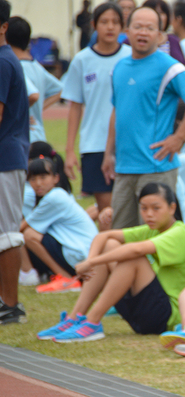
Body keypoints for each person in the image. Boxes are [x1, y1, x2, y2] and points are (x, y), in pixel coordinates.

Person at [37, 182, 185, 342]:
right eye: (144, 208)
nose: (149, 214)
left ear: (172, 208)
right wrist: (90, 260)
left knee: (133, 257)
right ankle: (73, 318)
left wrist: (91, 263)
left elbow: (137, 250)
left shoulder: (180, 232)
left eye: (156, 208)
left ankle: (92, 321)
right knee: (110, 245)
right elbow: (103, 237)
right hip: (143, 311)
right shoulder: (151, 230)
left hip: (165, 318)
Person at [101, 6, 185, 229]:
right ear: (127, 31)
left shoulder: (169, 67)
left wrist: (178, 138)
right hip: (124, 168)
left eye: (150, 28)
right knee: (121, 234)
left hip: (156, 168)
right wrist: (109, 153)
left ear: (160, 36)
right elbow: (116, 111)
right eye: (138, 27)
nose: (143, 32)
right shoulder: (119, 68)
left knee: (154, 237)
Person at [62, 3, 132, 223]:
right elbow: (75, 106)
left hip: (128, 144)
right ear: (94, 25)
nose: (110, 27)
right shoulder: (82, 60)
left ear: (123, 26)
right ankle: (109, 256)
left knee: (129, 211)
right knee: (107, 214)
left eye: (115, 22)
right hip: (94, 145)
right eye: (104, 22)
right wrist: (70, 150)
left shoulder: (132, 56)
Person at [21, 157, 97, 293]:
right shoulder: (54, 195)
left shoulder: (55, 197)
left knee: (28, 235)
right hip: (80, 254)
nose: (38, 183)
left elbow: (22, 227)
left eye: (43, 177)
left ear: (56, 178)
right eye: (33, 179)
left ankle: (65, 278)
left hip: (80, 255)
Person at [0, 0, 29, 325]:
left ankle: (11, 304)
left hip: (6, 156)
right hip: (9, 154)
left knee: (7, 233)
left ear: (4, 26)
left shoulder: (4, 61)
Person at [6, 16, 62, 143]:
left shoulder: (16, 67)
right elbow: (61, 90)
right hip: (39, 136)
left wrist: (18, 114)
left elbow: (33, 96)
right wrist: (39, 107)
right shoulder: (36, 66)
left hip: (23, 137)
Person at [140, 0, 185, 64]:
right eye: (153, 11)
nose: (157, 16)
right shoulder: (132, 40)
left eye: (161, 13)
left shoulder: (174, 41)